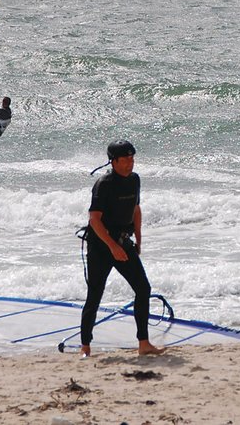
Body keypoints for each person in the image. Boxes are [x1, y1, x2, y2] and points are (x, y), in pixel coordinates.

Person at [79, 140, 164, 357]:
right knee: (95, 294)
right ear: (113, 161)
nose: (130, 163)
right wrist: (112, 246)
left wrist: (139, 239)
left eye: (132, 159)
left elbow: (136, 209)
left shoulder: (134, 180)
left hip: (124, 243)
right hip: (101, 246)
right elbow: (95, 220)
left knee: (143, 289)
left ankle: (143, 343)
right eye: (125, 160)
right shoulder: (104, 184)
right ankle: (85, 346)